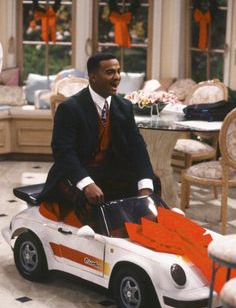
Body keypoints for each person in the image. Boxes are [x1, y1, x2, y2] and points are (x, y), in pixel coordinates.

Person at [38, 52, 161, 215]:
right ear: (93, 77)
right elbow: (63, 152)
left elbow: (137, 147)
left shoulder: (124, 106)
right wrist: (86, 184)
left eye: (118, 71)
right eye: (110, 72)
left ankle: (144, 232)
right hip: (75, 173)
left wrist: (145, 185)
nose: (117, 77)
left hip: (108, 172)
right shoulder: (70, 108)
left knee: (153, 183)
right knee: (88, 199)